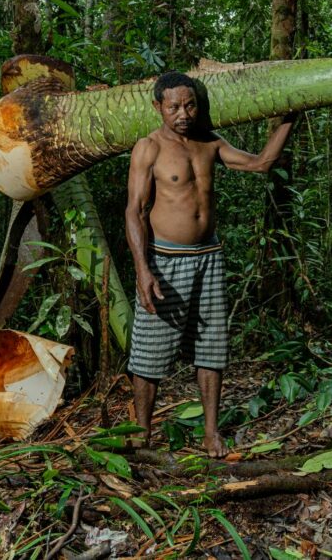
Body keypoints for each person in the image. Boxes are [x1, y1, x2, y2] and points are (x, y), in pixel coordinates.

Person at [125, 70, 298, 458]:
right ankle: (141, 435)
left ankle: (210, 434)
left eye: (189, 105)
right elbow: (134, 212)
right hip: (166, 261)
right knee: (149, 352)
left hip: (209, 258)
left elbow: (261, 164)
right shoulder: (148, 148)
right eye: (173, 107)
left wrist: (291, 116)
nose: (183, 114)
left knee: (211, 348)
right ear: (158, 108)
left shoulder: (210, 144)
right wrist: (142, 269)